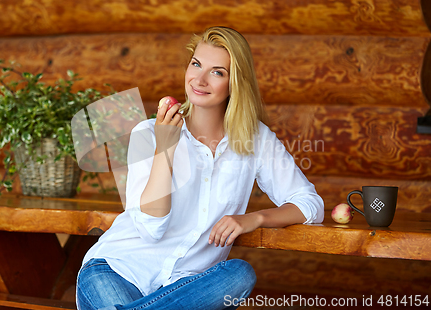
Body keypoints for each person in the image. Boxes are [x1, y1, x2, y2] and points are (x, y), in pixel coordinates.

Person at [76, 26, 324, 310]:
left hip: (187, 288)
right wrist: (164, 150)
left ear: (235, 83)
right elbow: (150, 229)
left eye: (217, 72)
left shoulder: (256, 139)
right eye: (196, 64)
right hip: (116, 271)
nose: (200, 79)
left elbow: (310, 205)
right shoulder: (149, 132)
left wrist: (253, 219)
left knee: (239, 274)